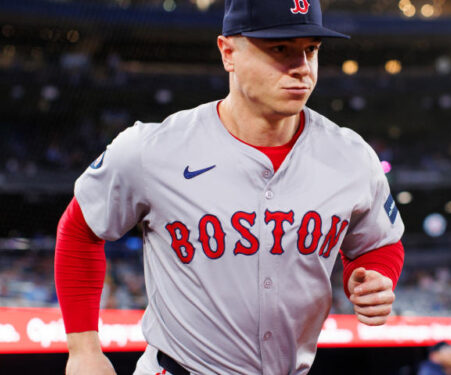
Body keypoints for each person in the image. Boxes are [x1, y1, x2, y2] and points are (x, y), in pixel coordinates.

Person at [54, 0, 405, 373]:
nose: (302, 68)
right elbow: (79, 229)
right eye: (280, 49)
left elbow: (380, 244)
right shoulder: (153, 150)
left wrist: (373, 276)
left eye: (311, 49)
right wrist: (83, 350)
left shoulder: (351, 156)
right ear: (228, 52)